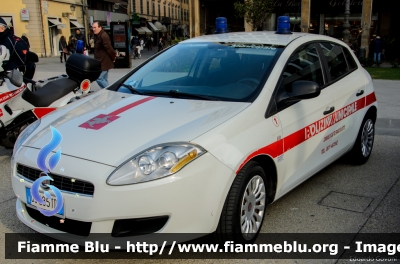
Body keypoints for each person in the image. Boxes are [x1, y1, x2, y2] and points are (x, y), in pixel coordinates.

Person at [92, 21, 117, 89]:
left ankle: (110, 91)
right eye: (92, 27)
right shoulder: (98, 35)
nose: (93, 29)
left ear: (100, 27)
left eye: (95, 27)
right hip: (101, 61)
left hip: (104, 62)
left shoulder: (103, 36)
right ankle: (107, 93)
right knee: (104, 79)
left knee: (99, 78)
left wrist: (113, 57)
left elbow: (109, 48)